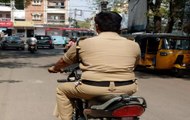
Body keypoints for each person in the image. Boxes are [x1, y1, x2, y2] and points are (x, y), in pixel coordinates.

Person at [48, 11, 141, 120]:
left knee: (62, 89)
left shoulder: (83, 43)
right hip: (126, 88)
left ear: (97, 27)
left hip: (92, 88)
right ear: (119, 27)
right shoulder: (134, 45)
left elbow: (64, 62)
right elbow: (134, 65)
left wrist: (54, 68)